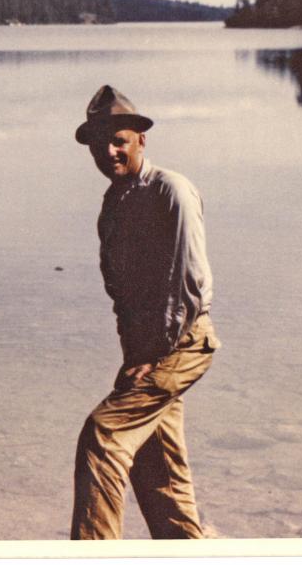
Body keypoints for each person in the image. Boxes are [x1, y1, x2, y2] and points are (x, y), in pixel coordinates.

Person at [71, 84, 220, 540]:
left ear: (141, 139)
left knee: (103, 436)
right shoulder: (113, 203)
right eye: (101, 143)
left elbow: (186, 286)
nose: (109, 151)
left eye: (119, 140)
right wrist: (133, 353)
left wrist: (152, 356)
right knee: (158, 466)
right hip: (146, 349)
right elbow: (121, 292)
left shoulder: (170, 190)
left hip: (183, 343)